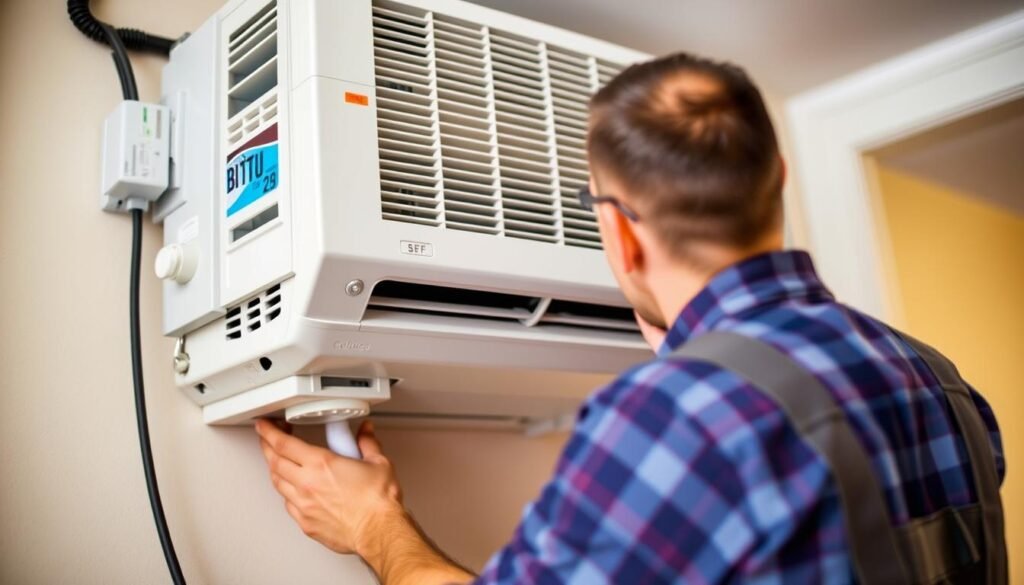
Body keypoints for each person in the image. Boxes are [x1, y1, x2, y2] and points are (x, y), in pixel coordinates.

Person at [255, 52, 1006, 584]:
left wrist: (372, 525)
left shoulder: (676, 414)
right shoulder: (938, 379)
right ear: (778, 181)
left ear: (617, 232)